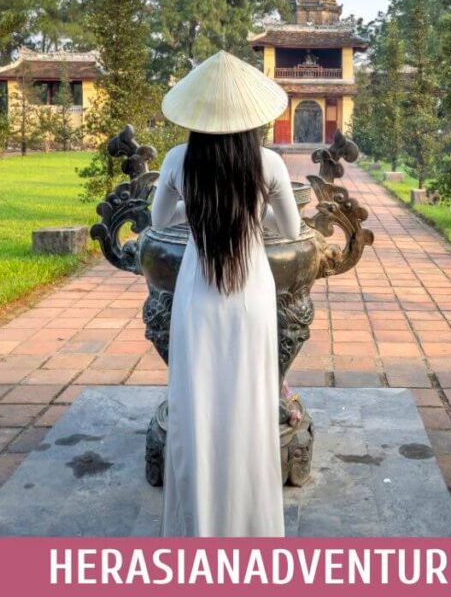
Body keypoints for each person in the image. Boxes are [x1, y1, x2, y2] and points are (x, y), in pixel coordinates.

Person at [153, 50, 301, 537]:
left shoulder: (179, 159)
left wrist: (195, 214)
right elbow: (291, 228)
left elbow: (158, 222)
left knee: (197, 405)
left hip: (198, 294)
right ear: (250, 113)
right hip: (250, 290)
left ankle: (198, 528)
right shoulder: (271, 162)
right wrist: (250, 217)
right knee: (250, 404)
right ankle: (251, 530)